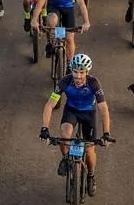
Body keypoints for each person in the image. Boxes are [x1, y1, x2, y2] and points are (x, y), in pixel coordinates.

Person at [39, 53, 112, 197]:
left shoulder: (93, 83)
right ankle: (66, 159)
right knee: (64, 136)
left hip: (88, 114)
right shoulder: (64, 82)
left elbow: (103, 108)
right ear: (71, 70)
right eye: (75, 72)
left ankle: (91, 175)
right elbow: (50, 105)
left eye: (82, 72)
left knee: (90, 150)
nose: (78, 76)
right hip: (71, 111)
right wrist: (44, 128)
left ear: (87, 72)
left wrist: (106, 133)